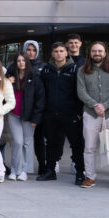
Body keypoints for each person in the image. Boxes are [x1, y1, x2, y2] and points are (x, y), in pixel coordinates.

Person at [76, 42, 109, 190]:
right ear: (90, 53)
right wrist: (95, 105)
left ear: (105, 53)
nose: (97, 53)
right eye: (94, 51)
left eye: (100, 51)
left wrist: (105, 105)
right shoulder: (82, 70)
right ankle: (90, 177)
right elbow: (81, 92)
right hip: (90, 114)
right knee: (89, 147)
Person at [37, 42, 85, 184]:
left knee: (76, 144)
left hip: (70, 113)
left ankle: (80, 172)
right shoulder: (46, 70)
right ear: (52, 53)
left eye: (61, 51)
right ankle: (50, 171)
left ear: (66, 53)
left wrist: (78, 111)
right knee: (52, 143)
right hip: (51, 113)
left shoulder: (75, 69)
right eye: (56, 51)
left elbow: (79, 91)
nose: (58, 54)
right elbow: (42, 92)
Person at [6, 53, 44, 181]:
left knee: (27, 142)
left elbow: (40, 99)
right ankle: (14, 169)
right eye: (18, 61)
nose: (21, 63)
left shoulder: (35, 78)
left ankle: (24, 170)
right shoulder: (10, 77)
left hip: (29, 116)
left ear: (27, 62)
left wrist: (36, 118)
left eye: (23, 60)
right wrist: (7, 82)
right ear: (15, 63)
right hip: (13, 114)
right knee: (17, 142)